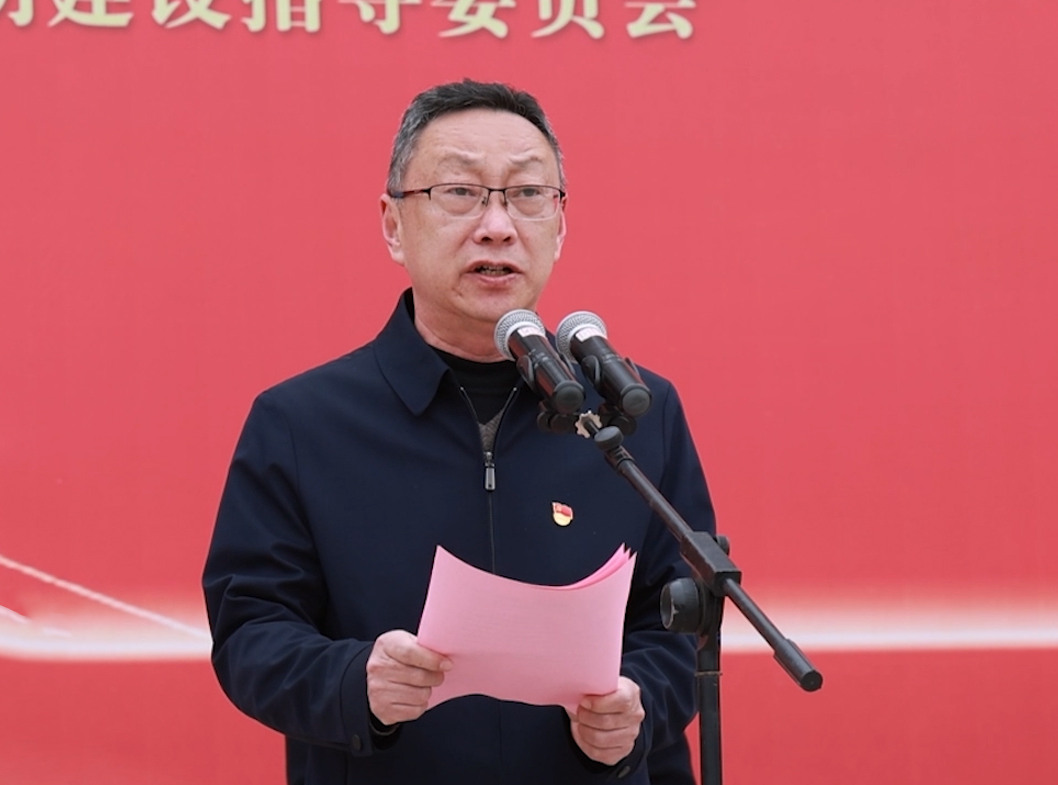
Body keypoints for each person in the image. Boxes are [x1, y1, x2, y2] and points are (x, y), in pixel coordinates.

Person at [203, 80, 716, 785]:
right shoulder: (301, 422)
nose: (497, 226)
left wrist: (637, 707)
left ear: (560, 225)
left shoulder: (632, 410)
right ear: (393, 224)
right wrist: (355, 681)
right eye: (460, 192)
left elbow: (685, 619)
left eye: (528, 194)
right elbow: (250, 630)